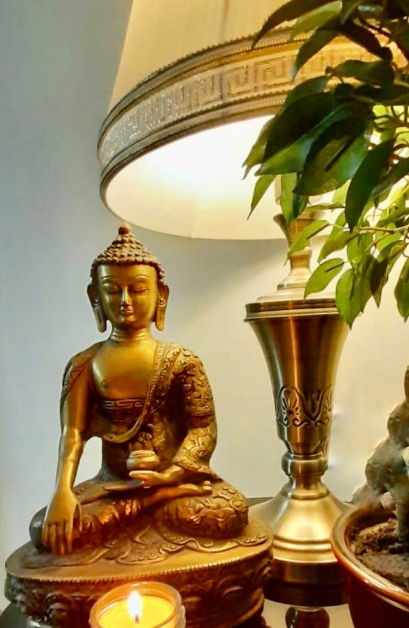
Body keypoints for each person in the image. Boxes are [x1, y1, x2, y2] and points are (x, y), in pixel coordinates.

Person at [30, 225, 248, 557]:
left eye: (138, 289)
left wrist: (171, 474)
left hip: (175, 481)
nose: (126, 301)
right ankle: (151, 505)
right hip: (113, 486)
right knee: (44, 528)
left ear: (161, 295)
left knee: (228, 512)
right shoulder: (85, 364)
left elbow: (203, 428)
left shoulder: (182, 360)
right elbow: (72, 433)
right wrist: (62, 491)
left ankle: (155, 501)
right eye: (112, 290)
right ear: (95, 297)